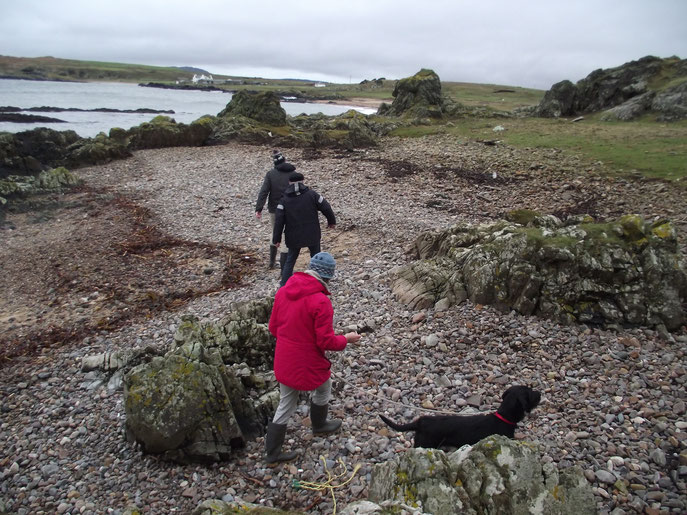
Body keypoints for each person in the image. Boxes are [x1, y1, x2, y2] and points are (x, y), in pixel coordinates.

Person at [264, 252, 361, 464]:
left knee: (286, 402)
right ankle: (318, 425)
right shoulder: (321, 301)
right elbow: (326, 342)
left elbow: (273, 328)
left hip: (284, 358)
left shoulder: (283, 291)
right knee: (324, 386)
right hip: (306, 361)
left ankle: (272, 451)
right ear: (328, 277)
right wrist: (347, 338)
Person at [273, 172, 336, 287]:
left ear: (289, 183)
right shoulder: (312, 195)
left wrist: (276, 238)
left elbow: (279, 220)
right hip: (312, 233)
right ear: (303, 181)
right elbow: (326, 206)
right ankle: (319, 283)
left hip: (293, 236)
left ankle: (283, 285)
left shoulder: (284, 200)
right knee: (316, 257)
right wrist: (331, 221)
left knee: (290, 260)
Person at [255, 149, 296, 270]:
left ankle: (271, 263)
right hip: (290, 208)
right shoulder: (293, 173)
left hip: (274, 209)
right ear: (285, 160)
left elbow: (264, 192)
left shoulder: (271, 174)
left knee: (275, 232)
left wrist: (259, 208)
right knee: (286, 236)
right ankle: (284, 270)